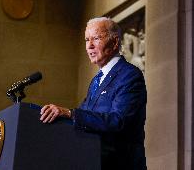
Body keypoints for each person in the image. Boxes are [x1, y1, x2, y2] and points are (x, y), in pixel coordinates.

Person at [40, 17, 147, 170]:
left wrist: (70, 113)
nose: (89, 46)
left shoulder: (129, 75)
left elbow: (118, 120)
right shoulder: (97, 80)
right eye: (86, 40)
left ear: (115, 42)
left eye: (96, 38)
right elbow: (85, 116)